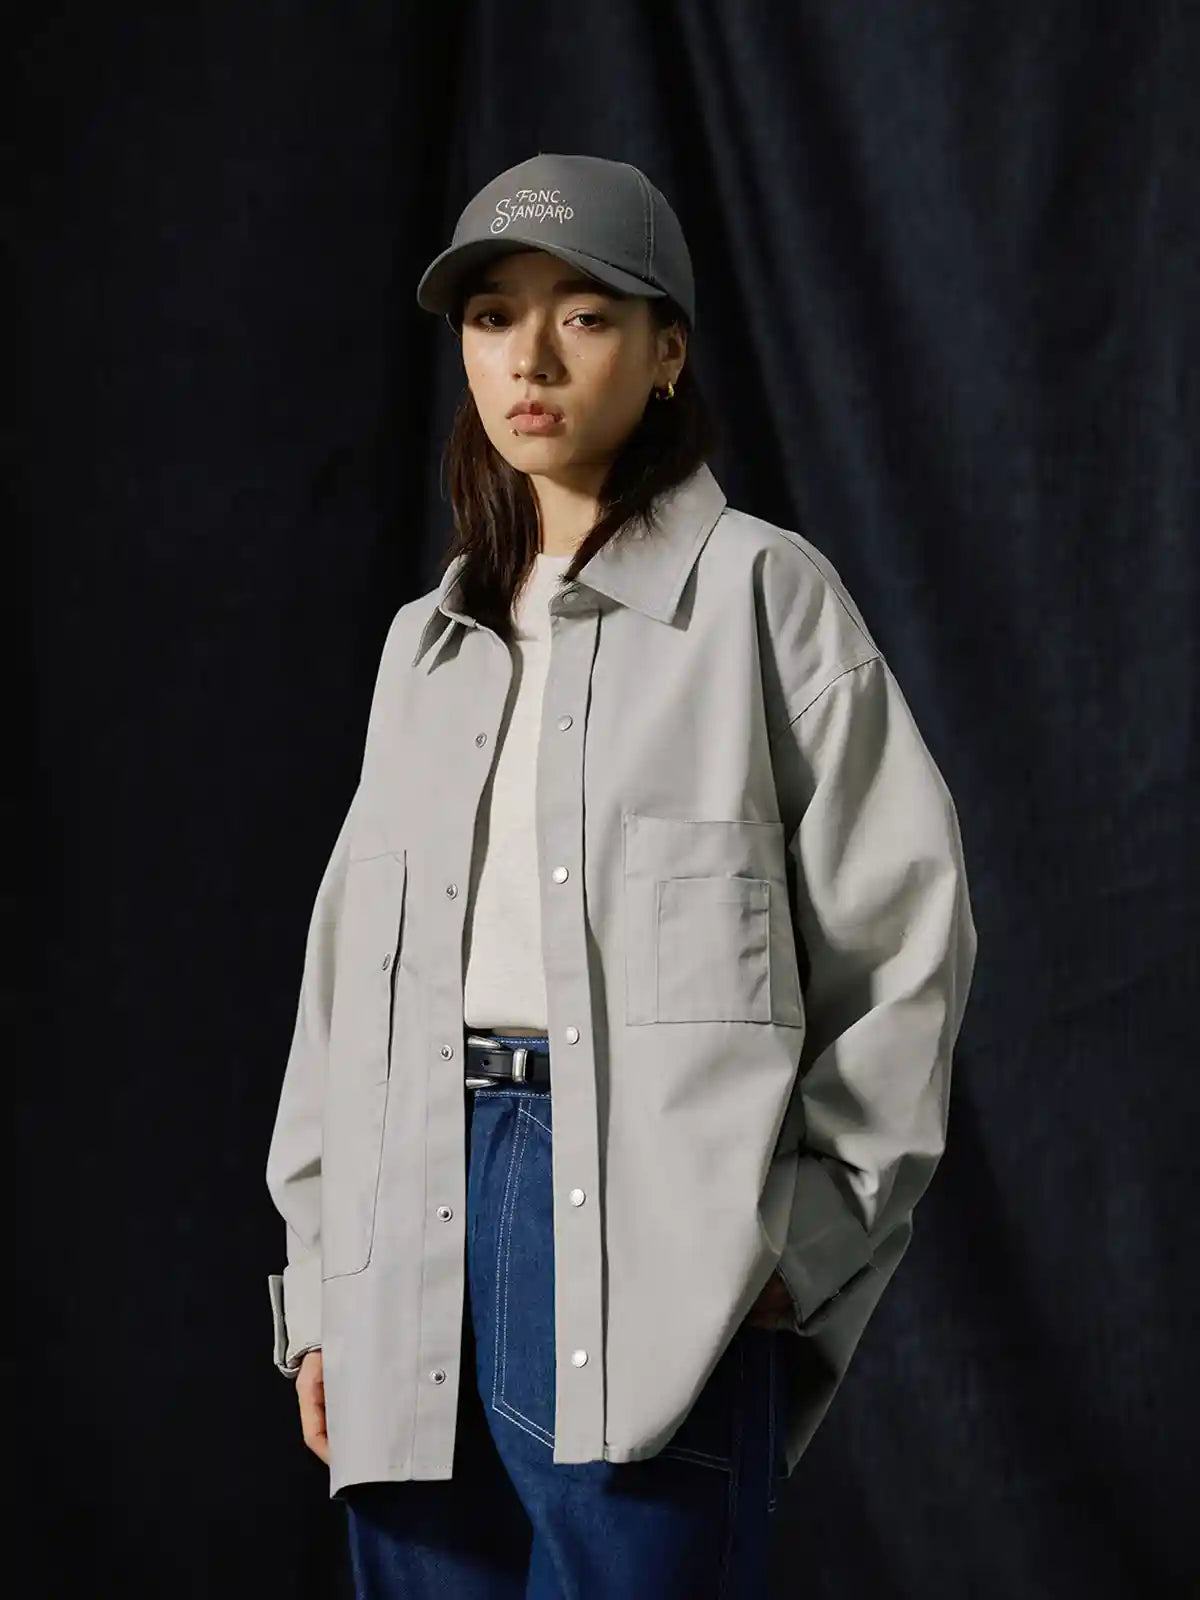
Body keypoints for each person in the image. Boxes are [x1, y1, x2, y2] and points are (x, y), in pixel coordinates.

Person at [265, 151, 978, 1597]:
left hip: (650, 1239)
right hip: (410, 1226)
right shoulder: (425, 648)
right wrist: (325, 1286)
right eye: (492, 318)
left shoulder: (764, 597)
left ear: (667, 356)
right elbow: (342, 998)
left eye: (585, 314)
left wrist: (806, 1238)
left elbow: (906, 939)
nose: (529, 359)